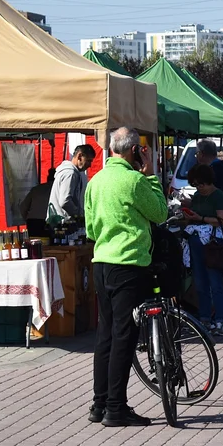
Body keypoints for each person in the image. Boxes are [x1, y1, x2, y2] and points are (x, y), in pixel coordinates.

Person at [85, 127, 167, 427]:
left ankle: (99, 404)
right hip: (129, 265)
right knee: (124, 337)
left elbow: (92, 229)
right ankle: (116, 408)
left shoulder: (95, 181)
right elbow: (159, 213)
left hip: (102, 262)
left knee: (104, 335)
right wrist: (151, 175)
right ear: (134, 151)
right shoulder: (134, 180)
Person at [182, 164, 223, 335]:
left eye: (201, 184)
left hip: (212, 244)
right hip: (196, 242)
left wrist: (200, 218)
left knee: (215, 282)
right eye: (196, 185)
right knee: (200, 282)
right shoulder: (196, 196)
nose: (199, 188)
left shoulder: (219, 196)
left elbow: (221, 220)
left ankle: (220, 319)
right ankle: (204, 317)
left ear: (209, 181)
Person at [50, 145, 95, 222]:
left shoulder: (69, 172)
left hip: (58, 221)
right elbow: (65, 201)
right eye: (88, 160)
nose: (90, 165)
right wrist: (79, 215)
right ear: (80, 156)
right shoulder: (70, 173)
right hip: (62, 223)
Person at [20, 168, 57, 236]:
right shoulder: (57, 190)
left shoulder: (36, 189)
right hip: (49, 222)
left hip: (33, 221)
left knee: (33, 244)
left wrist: (27, 219)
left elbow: (23, 207)